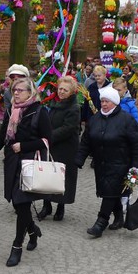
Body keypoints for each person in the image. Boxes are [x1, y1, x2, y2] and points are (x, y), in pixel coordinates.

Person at [0, 77, 52, 266]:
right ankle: (32, 230)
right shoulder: (11, 110)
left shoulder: (39, 111)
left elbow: (46, 140)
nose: (17, 93)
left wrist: (24, 145)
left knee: (22, 203)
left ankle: (16, 246)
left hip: (29, 163)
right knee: (18, 204)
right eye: (14, 90)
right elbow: (2, 136)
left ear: (31, 92)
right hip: (12, 162)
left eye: (21, 90)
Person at [76, 86, 138, 238]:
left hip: (122, 165)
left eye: (107, 101)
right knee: (111, 192)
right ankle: (119, 216)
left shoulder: (126, 120)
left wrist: (136, 166)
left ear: (115, 102)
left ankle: (101, 221)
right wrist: (79, 159)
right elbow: (86, 141)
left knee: (110, 193)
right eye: (102, 101)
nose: (104, 104)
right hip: (101, 164)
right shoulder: (95, 119)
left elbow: (137, 145)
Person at [36, 76, 80, 222]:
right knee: (48, 175)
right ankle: (46, 205)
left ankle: (60, 206)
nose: (61, 92)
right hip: (51, 145)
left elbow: (68, 128)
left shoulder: (74, 107)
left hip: (66, 147)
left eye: (65, 90)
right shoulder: (54, 103)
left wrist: (49, 136)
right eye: (60, 89)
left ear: (72, 92)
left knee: (62, 177)